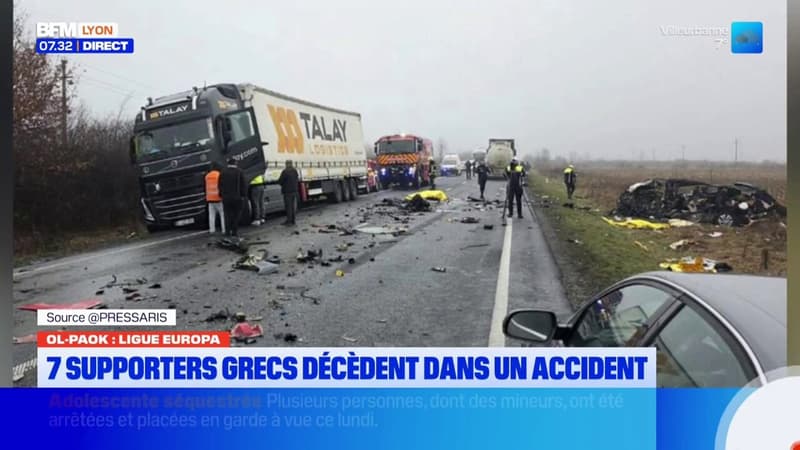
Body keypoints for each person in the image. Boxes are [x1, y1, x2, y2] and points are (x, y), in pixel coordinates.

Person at [219, 158, 247, 237]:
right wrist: (243, 196)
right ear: (235, 163)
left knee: (227, 215)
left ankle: (227, 232)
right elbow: (243, 185)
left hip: (226, 198)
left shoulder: (223, 172)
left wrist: (221, 195)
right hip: (237, 198)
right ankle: (234, 231)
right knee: (237, 214)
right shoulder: (239, 172)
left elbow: (220, 185)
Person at [277, 159, 300, 226]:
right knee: (292, 206)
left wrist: (284, 185)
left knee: (288, 207)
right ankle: (293, 220)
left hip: (287, 192)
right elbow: (297, 179)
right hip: (294, 191)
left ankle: (289, 221)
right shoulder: (295, 171)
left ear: (286, 164)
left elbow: (280, 181)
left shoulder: (285, 172)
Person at [205, 163, 225, 234]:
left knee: (211, 216)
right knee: (222, 215)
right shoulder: (219, 175)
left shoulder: (207, 176)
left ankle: (212, 230)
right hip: (218, 198)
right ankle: (224, 230)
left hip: (210, 198)